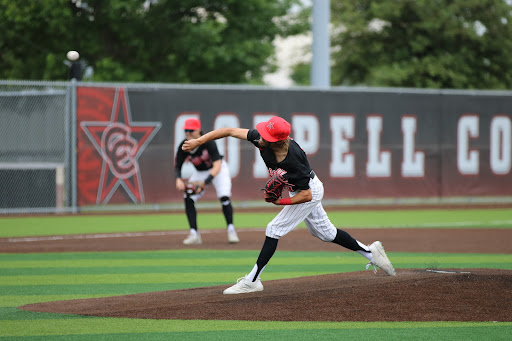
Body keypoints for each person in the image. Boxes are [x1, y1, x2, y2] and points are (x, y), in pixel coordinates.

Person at [183, 116, 396, 294]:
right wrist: (198, 141)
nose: (260, 137)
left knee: (273, 229)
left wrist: (280, 202)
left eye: (266, 135)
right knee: (326, 234)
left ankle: (252, 281)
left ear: (277, 141)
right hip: (302, 190)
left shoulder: (293, 160)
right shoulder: (262, 139)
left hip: (309, 191)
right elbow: (228, 130)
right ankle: (371, 253)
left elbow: (306, 194)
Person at [175, 118, 239, 245]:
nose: (187, 133)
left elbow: (217, 166)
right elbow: (177, 166)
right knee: (188, 197)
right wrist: (178, 179)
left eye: (190, 130)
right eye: (186, 131)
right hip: (200, 172)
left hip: (218, 169)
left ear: (198, 130)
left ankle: (231, 229)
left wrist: (205, 182)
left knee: (224, 197)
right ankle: (194, 233)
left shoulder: (208, 142)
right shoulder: (184, 145)